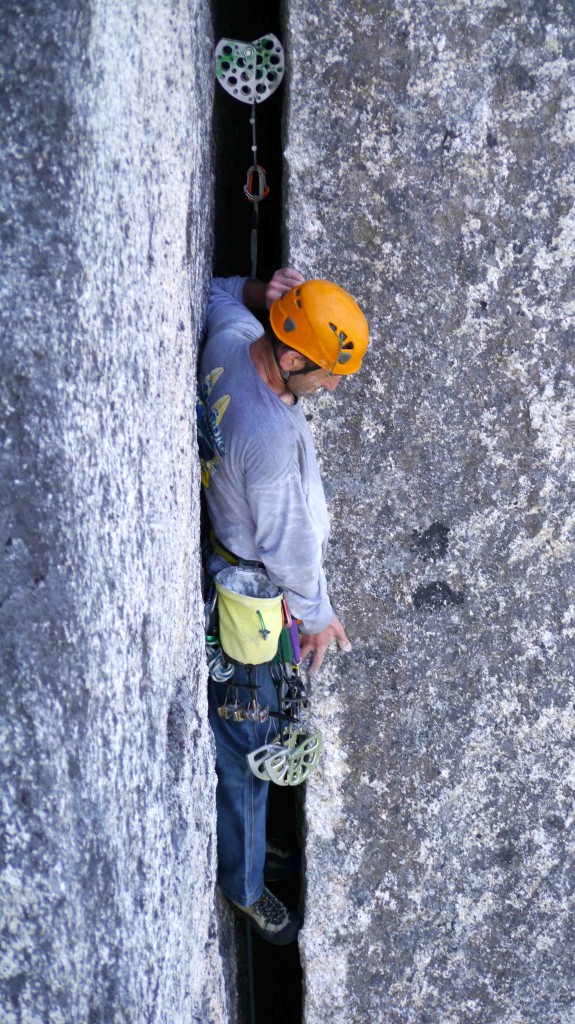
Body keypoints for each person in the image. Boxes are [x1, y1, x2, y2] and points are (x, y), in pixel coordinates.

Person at [197, 268, 369, 944]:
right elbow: (289, 551)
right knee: (249, 740)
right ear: (293, 357)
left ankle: (254, 838)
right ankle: (241, 887)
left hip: (231, 557)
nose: (330, 388)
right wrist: (320, 615)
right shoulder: (268, 443)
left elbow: (217, 295)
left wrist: (255, 294)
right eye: (325, 374)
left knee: (257, 736)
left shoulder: (235, 340)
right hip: (254, 603)